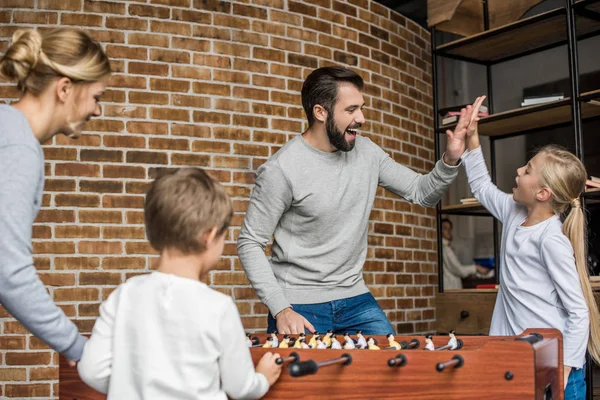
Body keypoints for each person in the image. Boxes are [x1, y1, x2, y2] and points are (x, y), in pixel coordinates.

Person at [237, 66, 478, 335]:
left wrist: (451, 158)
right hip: (299, 304)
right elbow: (250, 242)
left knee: (391, 366)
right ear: (320, 112)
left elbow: (421, 192)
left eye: (361, 108)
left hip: (355, 298)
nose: (361, 118)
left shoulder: (367, 152)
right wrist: (281, 308)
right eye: (351, 110)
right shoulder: (282, 169)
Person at [77, 168, 282, 399]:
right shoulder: (219, 308)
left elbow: (91, 369)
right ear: (210, 235)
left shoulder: (124, 295)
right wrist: (262, 378)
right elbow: (240, 388)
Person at [463, 96, 600, 398]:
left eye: (526, 170)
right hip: (517, 358)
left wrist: (564, 368)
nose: (517, 173)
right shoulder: (513, 213)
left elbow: (579, 312)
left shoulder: (550, 239)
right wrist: (472, 139)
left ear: (542, 193)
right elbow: (482, 188)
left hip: (555, 366)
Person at [0, 27, 111, 365]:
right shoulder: (18, 147)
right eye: (97, 97)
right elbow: (8, 271)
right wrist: (78, 349)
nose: (97, 111)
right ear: (65, 89)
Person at [441, 218, 491, 289]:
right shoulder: (445, 249)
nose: (449, 231)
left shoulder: (446, 247)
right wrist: (476, 267)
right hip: (450, 288)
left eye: (450, 228)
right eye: (445, 228)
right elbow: (460, 270)